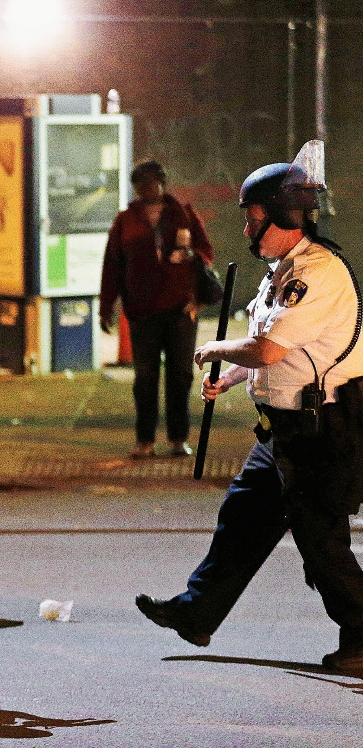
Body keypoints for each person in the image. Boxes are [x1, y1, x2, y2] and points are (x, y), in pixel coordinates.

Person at [136, 154, 363, 673]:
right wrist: (236, 377)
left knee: (321, 546)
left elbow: (266, 348)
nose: (246, 228)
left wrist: (216, 354)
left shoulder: (317, 273)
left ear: (284, 215)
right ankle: (197, 612)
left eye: (253, 217)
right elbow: (285, 353)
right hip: (283, 429)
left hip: (319, 431)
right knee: (241, 519)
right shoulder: (281, 272)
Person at [99, 161, 214, 458]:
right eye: (140, 185)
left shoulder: (183, 213)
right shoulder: (126, 220)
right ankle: (145, 441)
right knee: (145, 379)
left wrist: (192, 256)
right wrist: (106, 306)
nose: (146, 189)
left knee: (180, 376)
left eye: (150, 183)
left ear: (162, 183)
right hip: (142, 311)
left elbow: (206, 252)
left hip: (180, 309)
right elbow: (112, 265)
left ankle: (177, 439)